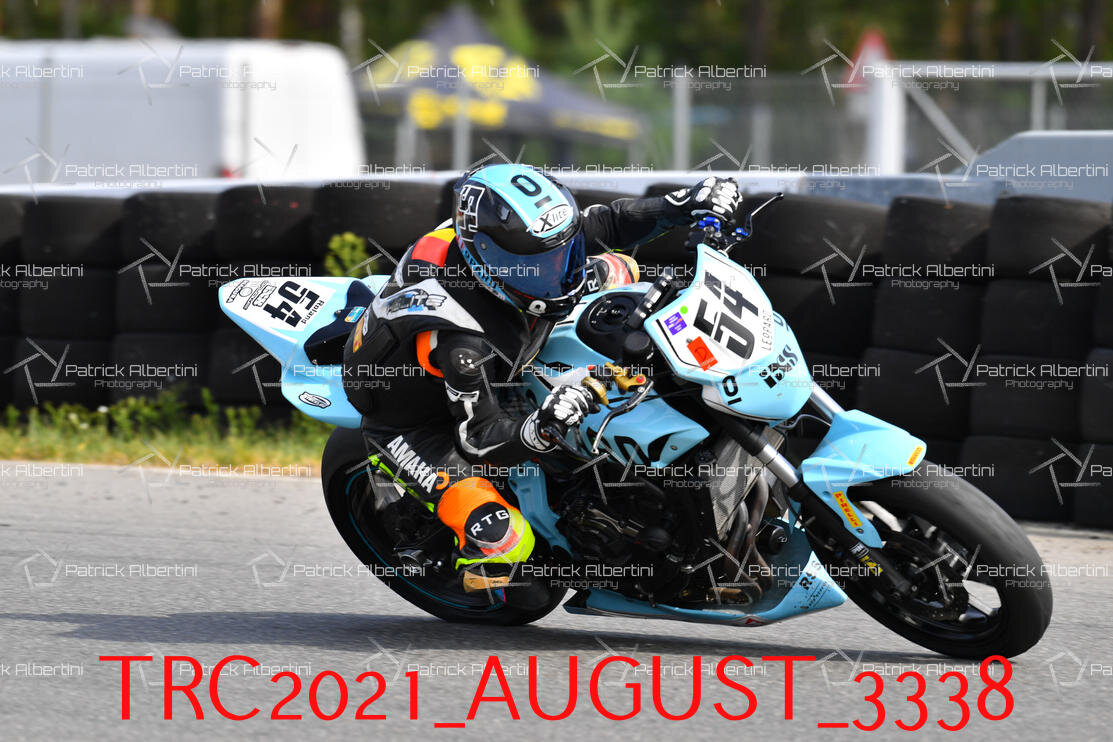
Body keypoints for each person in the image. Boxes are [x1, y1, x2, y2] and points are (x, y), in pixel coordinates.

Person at [343, 164, 741, 607]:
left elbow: (609, 223)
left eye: (563, 254)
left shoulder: (524, 248)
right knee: (507, 546)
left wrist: (682, 204)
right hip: (415, 422)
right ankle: (471, 559)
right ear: (487, 262)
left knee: (621, 268)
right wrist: (544, 423)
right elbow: (478, 438)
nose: (558, 272)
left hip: (499, 348)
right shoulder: (461, 342)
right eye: (536, 267)